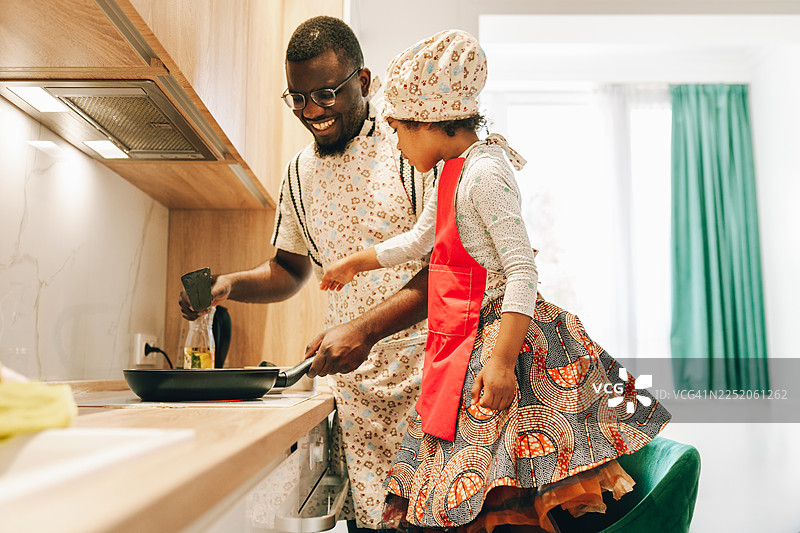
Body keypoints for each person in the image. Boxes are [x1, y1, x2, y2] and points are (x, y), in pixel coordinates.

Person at [320, 30, 671, 533]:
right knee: (469, 480)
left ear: (429, 121)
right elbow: (422, 238)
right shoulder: (449, 172)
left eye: (398, 129)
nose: (395, 141)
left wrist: (503, 360)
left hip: (507, 342)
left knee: (508, 481)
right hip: (464, 337)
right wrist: (359, 261)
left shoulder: (486, 174)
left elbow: (523, 271)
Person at [179, 16, 436, 532]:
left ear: (363, 82)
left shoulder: (413, 148)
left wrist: (363, 329)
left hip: (429, 391)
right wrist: (230, 286)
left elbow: (449, 273)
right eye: (297, 97)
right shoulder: (298, 173)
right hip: (353, 396)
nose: (311, 111)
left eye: (325, 93)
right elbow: (289, 271)